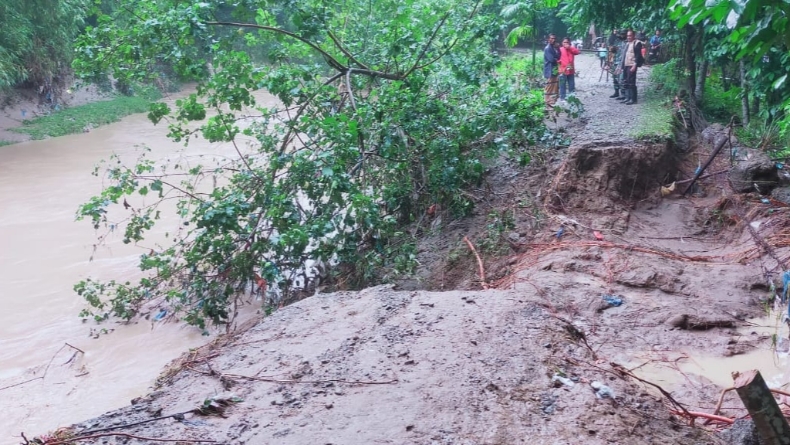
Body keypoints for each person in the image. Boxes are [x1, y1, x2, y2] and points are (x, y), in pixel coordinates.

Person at [617, 29, 644, 105]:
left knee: (631, 82)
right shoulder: (627, 43)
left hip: (632, 65)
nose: (628, 37)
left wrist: (635, 65)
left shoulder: (637, 43)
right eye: (627, 35)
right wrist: (621, 67)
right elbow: (624, 56)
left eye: (630, 35)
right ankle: (627, 97)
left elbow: (638, 56)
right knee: (625, 81)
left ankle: (633, 99)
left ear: (633, 35)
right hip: (626, 64)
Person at [558, 37, 580, 102]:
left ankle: (571, 98)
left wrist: (570, 47)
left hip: (571, 71)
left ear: (569, 43)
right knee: (562, 85)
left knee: (571, 85)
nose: (565, 44)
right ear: (562, 43)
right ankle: (562, 98)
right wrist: (560, 68)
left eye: (567, 42)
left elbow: (577, 52)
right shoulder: (560, 50)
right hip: (562, 71)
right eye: (564, 42)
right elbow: (557, 59)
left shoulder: (571, 49)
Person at [543, 34, 560, 107]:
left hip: (554, 69)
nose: (553, 40)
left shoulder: (554, 48)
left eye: (554, 38)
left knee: (554, 85)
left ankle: (552, 101)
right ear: (548, 39)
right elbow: (551, 59)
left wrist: (558, 49)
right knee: (549, 86)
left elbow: (559, 56)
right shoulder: (547, 48)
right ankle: (547, 101)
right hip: (549, 70)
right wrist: (556, 59)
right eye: (551, 38)